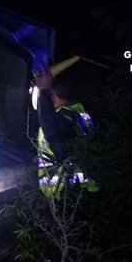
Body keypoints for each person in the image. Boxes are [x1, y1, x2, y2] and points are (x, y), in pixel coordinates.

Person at [33, 67, 99, 198]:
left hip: (67, 193)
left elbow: (52, 132)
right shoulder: (78, 114)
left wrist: (44, 92)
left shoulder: (66, 116)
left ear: (52, 97)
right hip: (81, 191)